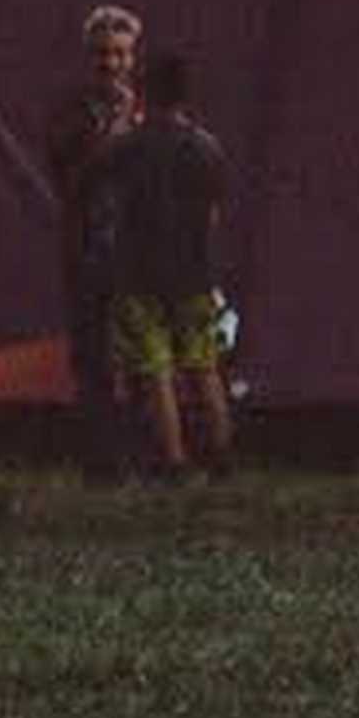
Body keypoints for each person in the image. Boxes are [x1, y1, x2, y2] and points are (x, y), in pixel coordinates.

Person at [84, 50, 233, 482]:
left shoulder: (128, 146)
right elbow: (213, 213)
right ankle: (221, 455)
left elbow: (91, 183)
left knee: (156, 371)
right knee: (204, 366)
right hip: (196, 274)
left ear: (145, 93)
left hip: (139, 274)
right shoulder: (207, 147)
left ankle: (175, 461)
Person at [45, 6, 147, 480]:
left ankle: (144, 453)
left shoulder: (146, 108)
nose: (113, 63)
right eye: (105, 54)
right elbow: (66, 173)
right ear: (90, 56)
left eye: (122, 53)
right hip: (88, 247)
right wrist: (112, 142)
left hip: (136, 248)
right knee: (93, 358)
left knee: (141, 355)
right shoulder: (71, 109)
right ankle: (101, 461)